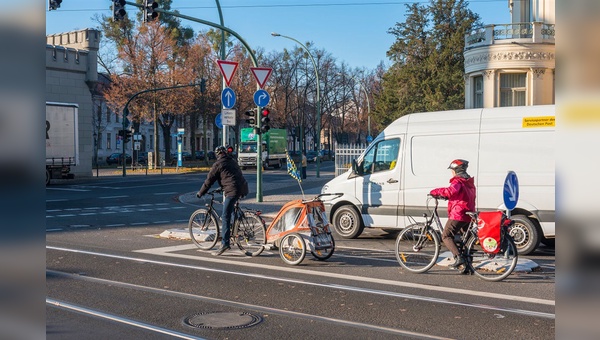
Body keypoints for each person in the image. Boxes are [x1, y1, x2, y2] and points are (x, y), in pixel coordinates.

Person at [197, 145, 249, 256]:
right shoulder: (232, 161)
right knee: (231, 212)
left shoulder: (218, 164)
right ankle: (235, 229)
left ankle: (225, 244)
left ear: (217, 155)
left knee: (225, 216)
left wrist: (201, 192)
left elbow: (209, 181)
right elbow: (230, 176)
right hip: (243, 187)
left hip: (232, 190)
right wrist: (222, 187)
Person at [429, 159, 476, 268]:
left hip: (459, 214)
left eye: (452, 170)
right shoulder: (469, 182)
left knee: (446, 235)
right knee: (466, 241)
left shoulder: (458, 181)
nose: (452, 172)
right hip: (468, 214)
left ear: (456, 170)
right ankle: (467, 264)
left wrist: (435, 192)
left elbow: (450, 191)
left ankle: (458, 257)